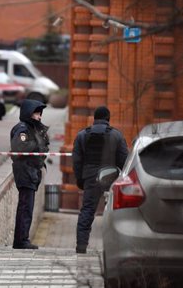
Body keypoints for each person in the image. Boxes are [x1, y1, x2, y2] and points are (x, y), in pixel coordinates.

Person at [72, 105, 128, 254]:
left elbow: (77, 161)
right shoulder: (117, 135)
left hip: (90, 177)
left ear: (94, 118)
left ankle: (81, 245)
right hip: (110, 176)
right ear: (108, 119)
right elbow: (124, 161)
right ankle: (116, 247)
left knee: (88, 210)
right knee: (115, 212)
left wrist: (80, 179)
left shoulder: (82, 135)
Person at [10, 99, 50, 249]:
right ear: (28, 113)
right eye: (36, 113)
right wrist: (37, 143)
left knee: (27, 207)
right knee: (25, 207)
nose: (39, 117)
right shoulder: (22, 129)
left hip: (32, 171)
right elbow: (19, 147)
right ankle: (21, 241)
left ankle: (22, 239)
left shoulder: (32, 129)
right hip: (25, 171)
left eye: (40, 113)